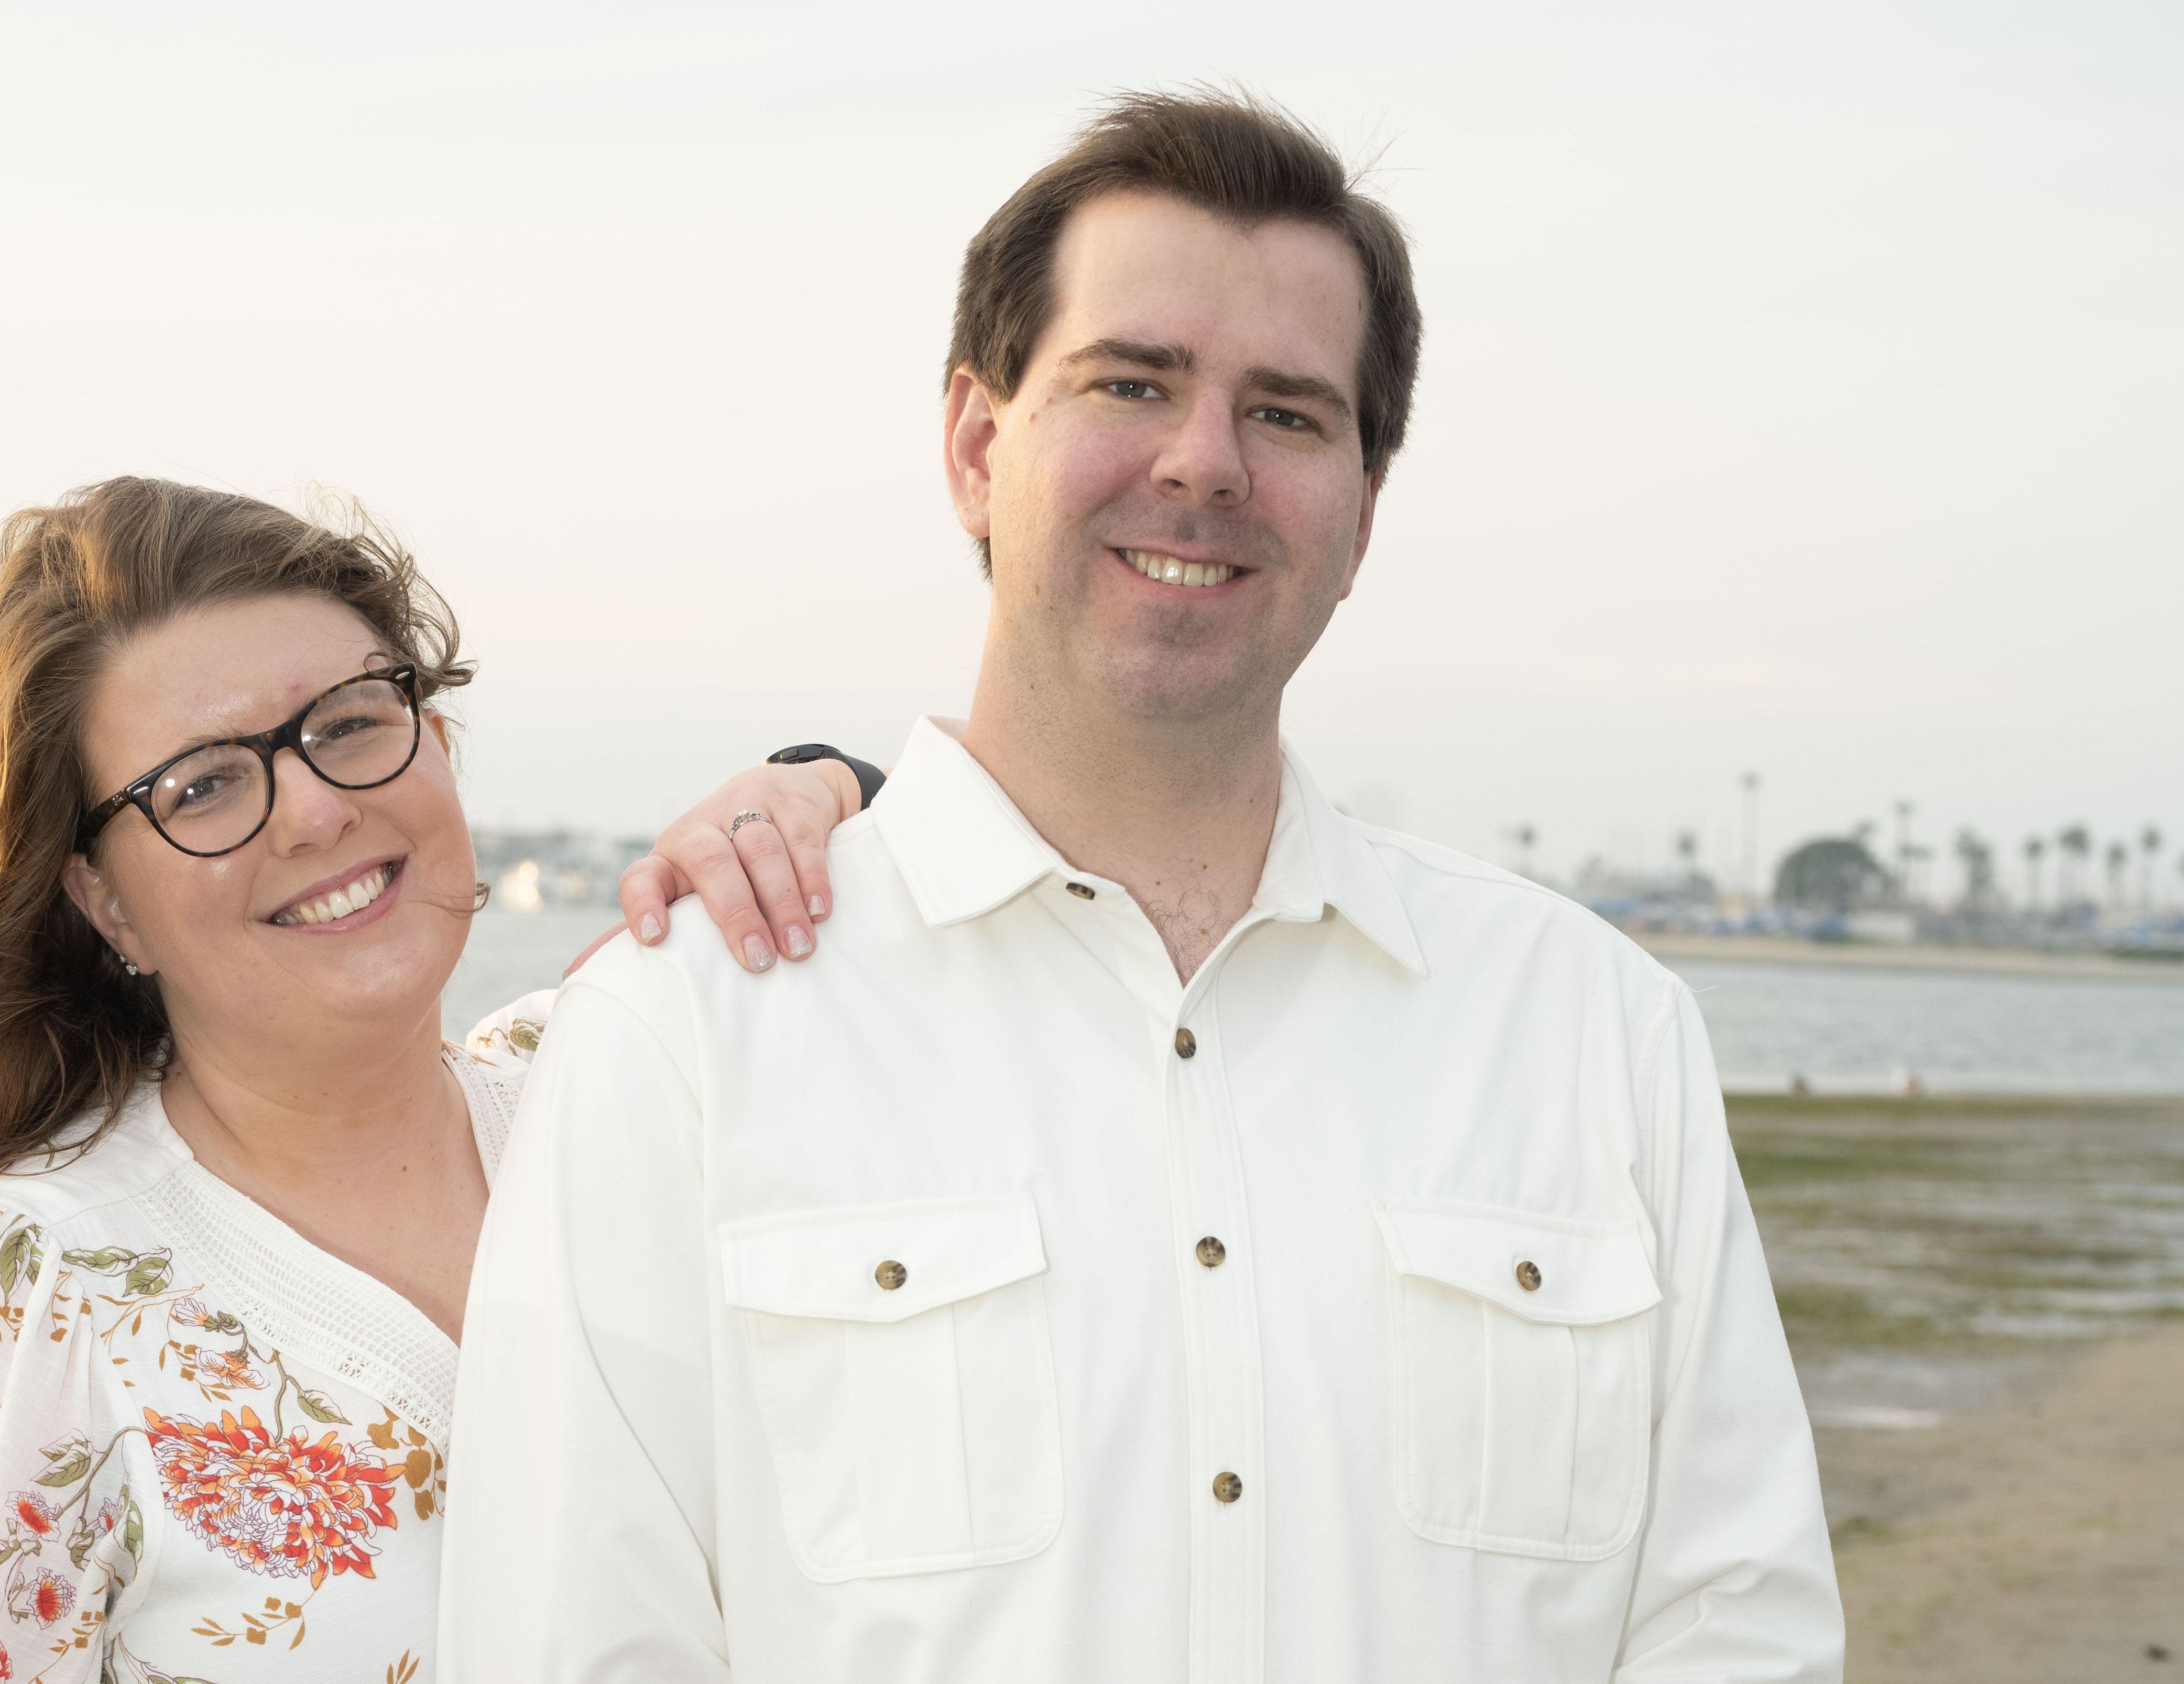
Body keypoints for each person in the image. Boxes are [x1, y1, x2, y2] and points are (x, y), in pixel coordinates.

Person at [441, 90, 1841, 1681]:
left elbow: (1739, 1626)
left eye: (1289, 414)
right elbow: (574, 1640)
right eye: (1133, 382)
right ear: (977, 446)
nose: (1205, 462)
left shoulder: (1592, 1025)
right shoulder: (684, 1029)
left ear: (1365, 510)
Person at [0, 477, 868, 1681]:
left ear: (436, 740)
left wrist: (829, 788)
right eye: (202, 784)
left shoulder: (628, 1087)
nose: (315, 809)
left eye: (350, 722)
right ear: (104, 899)